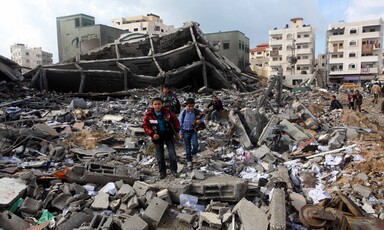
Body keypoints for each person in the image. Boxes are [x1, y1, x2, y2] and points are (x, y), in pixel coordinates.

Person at [143, 97, 180, 179]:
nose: (157, 106)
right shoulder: (149, 115)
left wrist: (177, 131)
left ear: (162, 104)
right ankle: (162, 173)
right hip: (157, 137)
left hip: (168, 135)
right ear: (152, 105)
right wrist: (152, 134)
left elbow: (175, 121)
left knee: (172, 154)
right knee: (160, 156)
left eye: (159, 104)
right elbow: (146, 126)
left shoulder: (167, 112)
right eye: (155, 104)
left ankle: (174, 171)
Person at [178, 98, 205, 169]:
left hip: (193, 131)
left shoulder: (195, 112)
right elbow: (180, 123)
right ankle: (189, 161)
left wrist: (200, 121)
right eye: (189, 106)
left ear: (194, 106)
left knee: (195, 144)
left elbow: (203, 116)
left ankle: (194, 153)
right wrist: (180, 133)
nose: (190, 108)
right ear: (186, 105)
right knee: (187, 147)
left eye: (192, 106)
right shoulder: (183, 113)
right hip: (185, 131)